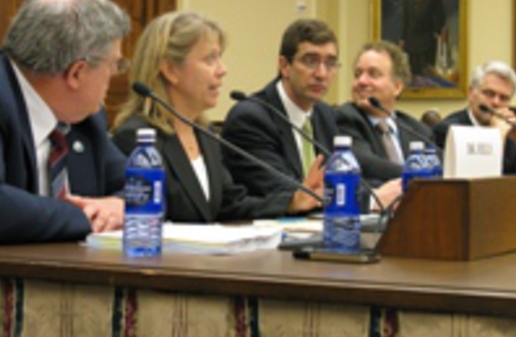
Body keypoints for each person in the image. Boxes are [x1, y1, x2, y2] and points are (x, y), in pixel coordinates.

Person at [0, 0, 130, 245]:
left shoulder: (83, 117)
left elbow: (149, 187)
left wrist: (121, 205)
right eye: (114, 64)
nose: (114, 74)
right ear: (76, 73)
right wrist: (84, 217)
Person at [112, 11, 322, 222]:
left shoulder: (205, 135)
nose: (223, 70)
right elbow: (147, 215)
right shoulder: (137, 139)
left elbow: (230, 204)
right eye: (210, 59)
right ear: (171, 69)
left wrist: (293, 201)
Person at [222, 18, 400, 211]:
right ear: (285, 66)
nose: (322, 73)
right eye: (310, 61)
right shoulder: (251, 118)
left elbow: (344, 177)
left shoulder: (324, 114)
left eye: (330, 63)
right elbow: (289, 192)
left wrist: (389, 190)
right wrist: (372, 200)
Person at [336, 41, 432, 184]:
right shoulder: (346, 118)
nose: (361, 81)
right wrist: (417, 176)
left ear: (397, 87)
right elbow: (367, 163)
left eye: (373, 74)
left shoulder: (418, 131)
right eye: (357, 74)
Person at [433, 61, 516, 175]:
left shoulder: (507, 133)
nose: (496, 102)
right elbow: (475, 179)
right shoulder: (448, 130)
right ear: (471, 93)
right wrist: (495, 137)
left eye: (503, 98)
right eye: (489, 94)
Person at [401, 0, 446, 79]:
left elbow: (440, 14)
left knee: (427, 74)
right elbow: (405, 17)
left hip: (428, 40)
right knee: (414, 74)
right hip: (411, 40)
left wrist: (439, 31)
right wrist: (402, 38)